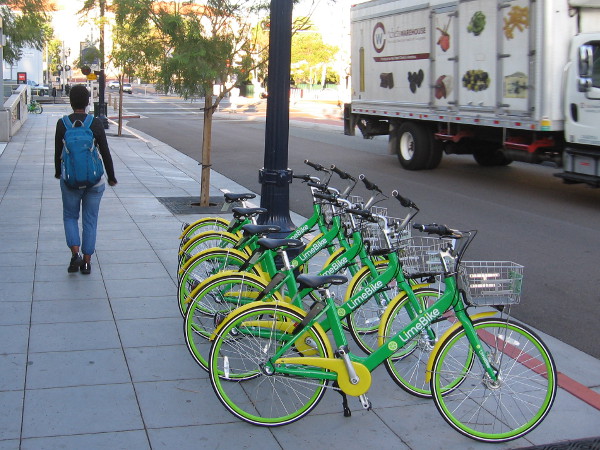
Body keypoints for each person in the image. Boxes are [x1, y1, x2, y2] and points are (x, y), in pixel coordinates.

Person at [54, 84, 117, 275]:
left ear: (71, 102)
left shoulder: (62, 123)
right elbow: (104, 151)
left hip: (70, 180)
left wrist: (59, 172)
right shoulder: (94, 123)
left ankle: (75, 254)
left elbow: (58, 153)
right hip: (94, 181)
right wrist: (111, 176)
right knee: (90, 221)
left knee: (70, 217)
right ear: (88, 101)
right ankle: (87, 263)